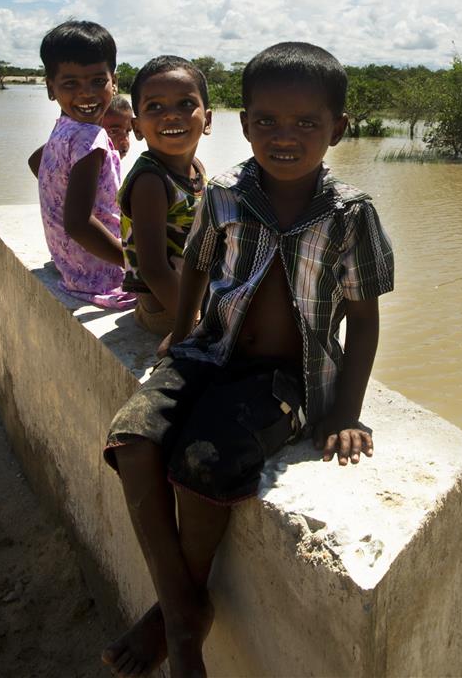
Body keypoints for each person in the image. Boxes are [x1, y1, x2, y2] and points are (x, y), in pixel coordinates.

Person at [101, 42, 394, 678]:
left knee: (203, 458)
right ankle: (183, 610)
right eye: (266, 121)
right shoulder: (228, 192)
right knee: (133, 437)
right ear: (243, 122)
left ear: (337, 130)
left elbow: (365, 321)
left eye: (305, 123)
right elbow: (200, 265)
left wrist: (348, 411)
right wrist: (179, 337)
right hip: (211, 350)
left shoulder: (352, 215)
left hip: (288, 379)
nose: (283, 136)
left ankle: (175, 622)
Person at [28, 19, 132, 309]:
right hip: (100, 275)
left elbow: (36, 161)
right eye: (71, 83)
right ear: (51, 88)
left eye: (98, 81)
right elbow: (78, 224)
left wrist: (59, 192)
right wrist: (134, 262)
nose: (86, 93)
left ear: (114, 82)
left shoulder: (65, 127)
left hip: (70, 264)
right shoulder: (90, 138)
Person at [118, 57, 211, 337]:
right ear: (136, 128)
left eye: (185, 103)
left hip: (190, 298)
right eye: (155, 107)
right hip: (168, 311)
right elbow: (154, 268)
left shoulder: (195, 168)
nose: (171, 115)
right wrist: (194, 326)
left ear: (207, 119)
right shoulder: (151, 182)